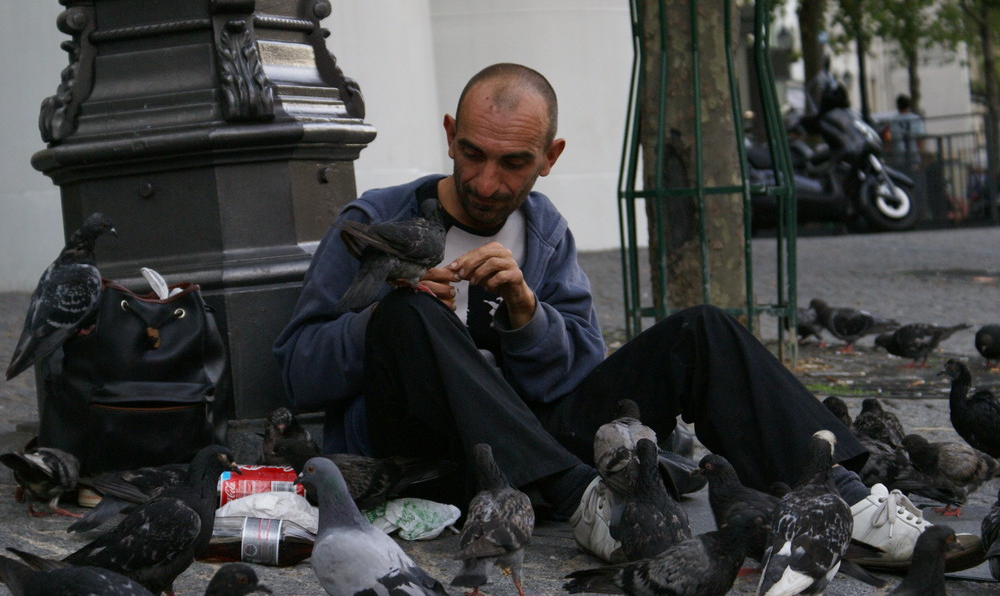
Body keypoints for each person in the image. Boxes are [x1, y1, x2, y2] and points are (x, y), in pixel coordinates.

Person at [273, 63, 980, 569]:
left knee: (702, 330)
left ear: (550, 158)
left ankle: (853, 502)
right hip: (442, 463)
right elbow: (296, 370)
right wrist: (386, 314)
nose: (488, 182)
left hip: (540, 444)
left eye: (514, 163)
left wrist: (527, 317)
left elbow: (587, 378)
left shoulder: (543, 230)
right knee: (406, 317)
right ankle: (580, 497)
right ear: (451, 133)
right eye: (472, 154)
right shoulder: (376, 220)